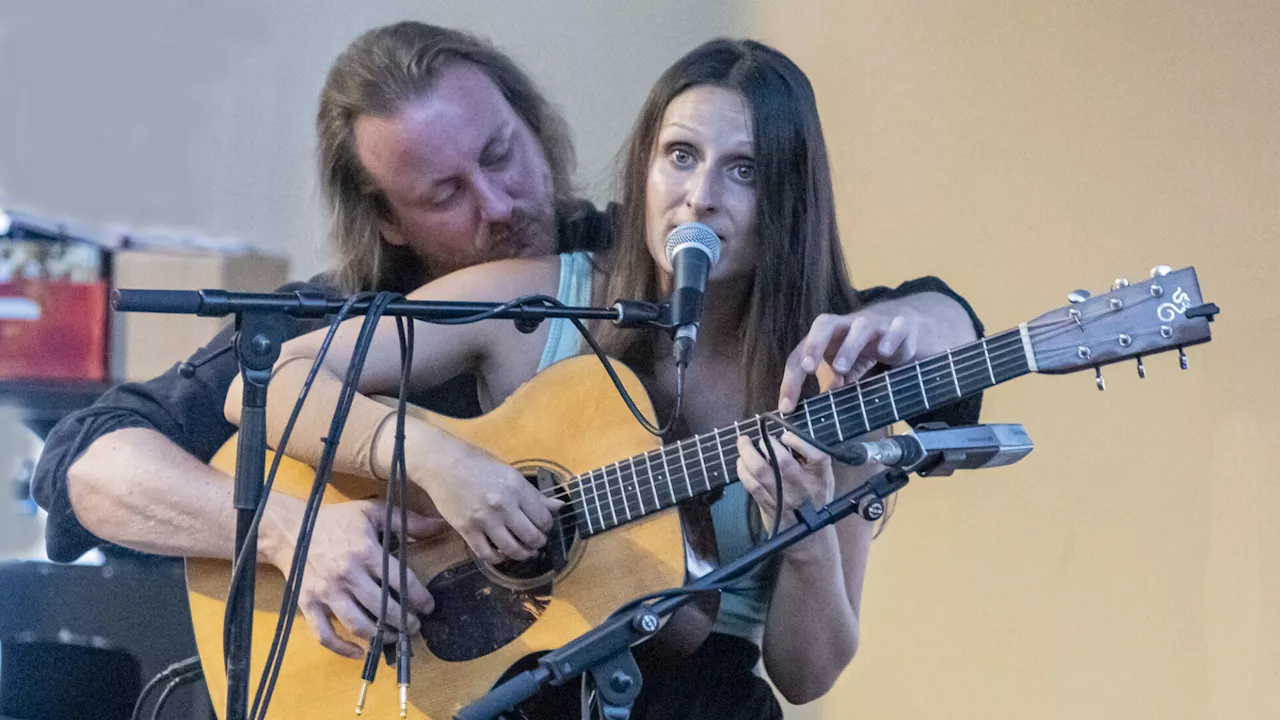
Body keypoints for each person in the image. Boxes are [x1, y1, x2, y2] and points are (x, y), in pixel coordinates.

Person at [32, 21, 979, 661]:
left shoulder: (630, 261)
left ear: (538, 127)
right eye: (444, 194)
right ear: (389, 223)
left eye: (501, 155)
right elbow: (97, 456)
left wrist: (948, 319)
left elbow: (864, 319)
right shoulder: (377, 307)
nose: (498, 206)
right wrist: (294, 528)